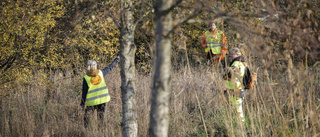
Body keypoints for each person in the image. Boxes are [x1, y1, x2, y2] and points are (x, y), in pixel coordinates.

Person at [80, 55, 120, 128]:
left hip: (92, 101)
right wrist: (116, 59)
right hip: (102, 100)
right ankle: (100, 132)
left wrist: (82, 104)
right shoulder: (101, 73)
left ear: (88, 67)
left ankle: (85, 132)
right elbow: (110, 67)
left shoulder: (86, 78)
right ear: (96, 66)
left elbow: (84, 92)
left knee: (86, 119)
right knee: (100, 119)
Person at [223, 48, 246, 123]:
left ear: (237, 54)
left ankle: (241, 125)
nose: (230, 56)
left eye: (232, 54)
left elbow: (231, 75)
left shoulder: (236, 63)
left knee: (237, 109)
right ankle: (239, 124)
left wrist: (225, 75)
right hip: (238, 89)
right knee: (237, 108)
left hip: (235, 89)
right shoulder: (242, 63)